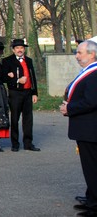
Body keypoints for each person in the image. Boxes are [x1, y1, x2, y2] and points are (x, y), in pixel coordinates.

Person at [60, 38, 97, 216]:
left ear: (92, 54)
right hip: (86, 128)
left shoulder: (95, 73)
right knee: (90, 167)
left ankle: (95, 205)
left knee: (92, 167)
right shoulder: (89, 71)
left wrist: (70, 108)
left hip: (91, 128)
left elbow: (91, 101)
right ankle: (91, 198)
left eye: (80, 52)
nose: (76, 56)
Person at [1, 38, 40, 152]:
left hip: (28, 92)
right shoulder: (7, 61)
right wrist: (17, 80)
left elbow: (33, 78)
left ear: (24, 50)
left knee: (28, 119)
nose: (20, 50)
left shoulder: (29, 60)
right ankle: (15, 143)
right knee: (14, 118)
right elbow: (4, 77)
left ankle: (28, 143)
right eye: (17, 48)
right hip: (15, 93)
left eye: (21, 48)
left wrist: (34, 93)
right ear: (13, 50)